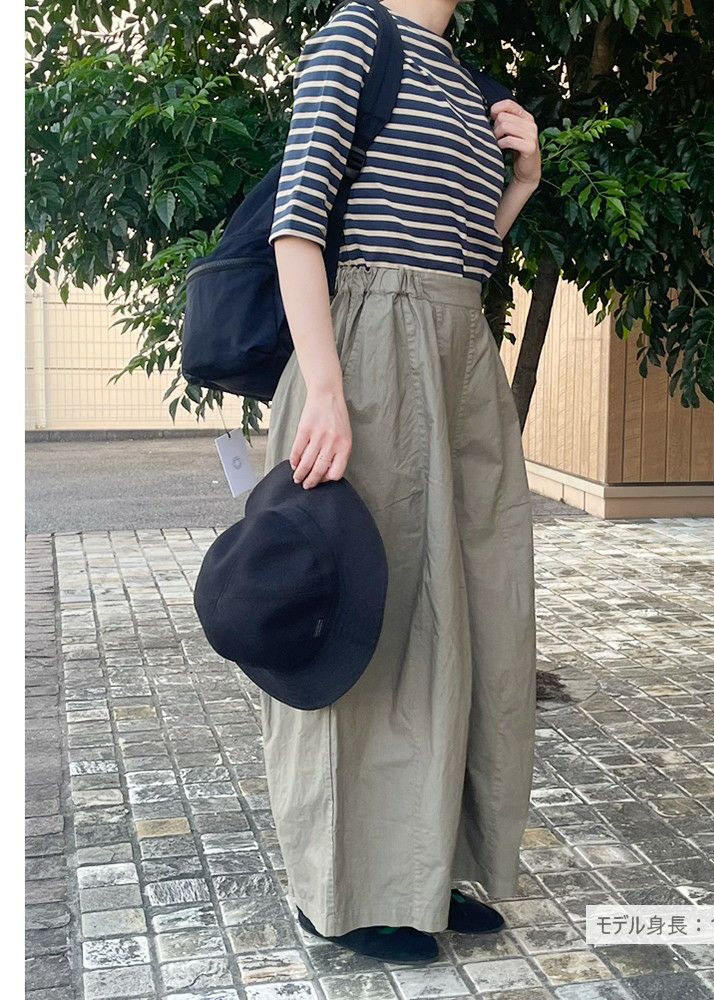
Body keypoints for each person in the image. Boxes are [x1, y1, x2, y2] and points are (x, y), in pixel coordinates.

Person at [260, 0, 541, 963]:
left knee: (468, 620)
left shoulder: (465, 81)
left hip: (459, 362)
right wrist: (326, 392)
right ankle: (336, 891)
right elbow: (297, 227)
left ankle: (422, 868)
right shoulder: (357, 36)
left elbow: (467, 259)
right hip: (370, 361)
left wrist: (519, 184)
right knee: (364, 630)